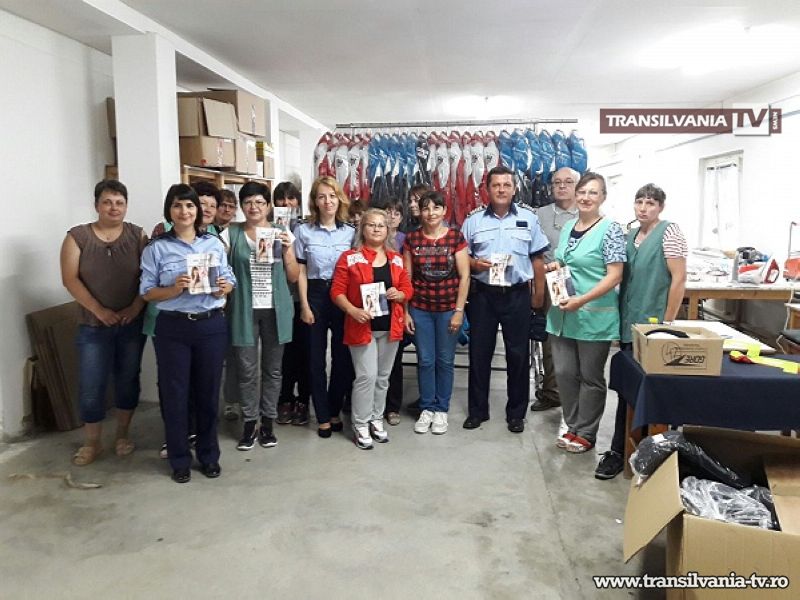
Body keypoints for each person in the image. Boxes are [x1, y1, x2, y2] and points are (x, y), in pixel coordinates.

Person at [140, 184, 235, 483]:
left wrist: (225, 287)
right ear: (169, 211)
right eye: (178, 205)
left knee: (208, 393)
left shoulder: (213, 244)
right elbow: (146, 292)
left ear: (198, 211)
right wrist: (174, 288)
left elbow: (229, 278)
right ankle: (179, 458)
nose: (184, 211)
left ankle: (209, 455)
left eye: (190, 205)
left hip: (210, 325)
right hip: (173, 327)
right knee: (175, 394)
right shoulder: (156, 248)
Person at [595, 183, 687, 479]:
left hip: (654, 326)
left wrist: (667, 324)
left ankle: (652, 455)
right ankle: (620, 451)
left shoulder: (669, 233)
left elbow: (679, 279)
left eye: (650, 203)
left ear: (661, 207)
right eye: (640, 202)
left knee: (653, 393)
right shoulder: (629, 235)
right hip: (629, 325)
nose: (644, 208)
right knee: (627, 391)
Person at [60, 179, 147, 466]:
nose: (114, 208)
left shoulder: (137, 235)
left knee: (127, 380)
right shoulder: (77, 237)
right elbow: (70, 279)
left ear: (126, 206)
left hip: (130, 322)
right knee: (91, 384)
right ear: (96, 205)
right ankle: (92, 442)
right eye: (107, 202)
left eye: (119, 202)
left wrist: (135, 307)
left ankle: (122, 434)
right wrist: (99, 310)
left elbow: (149, 276)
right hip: (92, 325)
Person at [461, 165, 549, 433]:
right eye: (496, 185)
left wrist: (538, 296)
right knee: (479, 354)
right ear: (487, 189)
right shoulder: (473, 221)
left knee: (518, 355)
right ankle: (478, 411)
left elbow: (537, 259)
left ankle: (516, 413)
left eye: (506, 185)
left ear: (514, 188)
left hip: (517, 294)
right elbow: (462, 259)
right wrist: (475, 264)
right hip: (483, 296)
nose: (501, 189)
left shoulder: (529, 218)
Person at [545, 172, 626, 454]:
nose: (586, 197)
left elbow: (615, 275)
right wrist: (555, 266)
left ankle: (587, 432)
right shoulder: (569, 226)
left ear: (603, 197)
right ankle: (572, 425)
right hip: (562, 313)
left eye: (593, 192)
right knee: (565, 373)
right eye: (582, 192)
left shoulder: (611, 230)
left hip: (593, 315)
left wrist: (582, 300)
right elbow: (562, 259)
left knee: (590, 376)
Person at [222, 181, 299, 451]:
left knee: (273, 369)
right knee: (246, 370)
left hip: (276, 309)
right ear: (241, 206)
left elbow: (293, 276)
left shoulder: (282, 232)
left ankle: (268, 422)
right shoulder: (230, 234)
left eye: (259, 202)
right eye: (248, 202)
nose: (253, 207)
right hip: (244, 309)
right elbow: (221, 270)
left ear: (268, 206)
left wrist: (287, 250)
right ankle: (249, 422)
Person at [331, 208, 413, 449]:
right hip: (361, 326)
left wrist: (400, 294)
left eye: (381, 225)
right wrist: (352, 310)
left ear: (388, 230)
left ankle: (377, 418)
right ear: (362, 229)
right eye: (371, 224)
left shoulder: (396, 258)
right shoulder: (350, 257)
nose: (376, 229)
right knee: (366, 376)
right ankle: (360, 423)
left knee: (383, 377)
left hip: (390, 326)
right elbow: (337, 291)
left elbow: (408, 287)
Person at [403, 191, 470, 435]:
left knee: (445, 360)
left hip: (448, 309)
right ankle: (427, 408)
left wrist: (459, 311)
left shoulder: (455, 237)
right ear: (420, 212)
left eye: (436, 208)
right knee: (425, 360)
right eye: (426, 208)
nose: (431, 213)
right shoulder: (412, 239)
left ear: (444, 211)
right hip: (420, 309)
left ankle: (441, 408)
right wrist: (405, 312)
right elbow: (406, 278)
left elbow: (465, 276)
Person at [293, 176, 355, 438]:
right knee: (315, 358)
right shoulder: (303, 231)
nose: (327, 201)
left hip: (342, 295)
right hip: (315, 294)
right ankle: (321, 416)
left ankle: (333, 408)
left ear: (339, 199)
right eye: (322, 196)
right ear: (315, 202)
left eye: (332, 196)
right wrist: (305, 305)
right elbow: (301, 271)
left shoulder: (350, 232)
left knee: (343, 358)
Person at [531, 166, 579, 412]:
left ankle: (577, 391)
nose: (562, 186)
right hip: (551, 280)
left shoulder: (587, 212)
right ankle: (552, 392)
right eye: (557, 182)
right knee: (551, 338)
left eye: (568, 182)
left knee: (578, 338)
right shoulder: (539, 214)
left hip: (581, 282)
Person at [272, 181, 311, 426]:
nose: (286, 203)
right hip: (279, 299)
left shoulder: (306, 228)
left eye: (291, 198)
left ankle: (304, 400)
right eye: (281, 198)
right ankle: (285, 398)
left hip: (303, 299)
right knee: (284, 354)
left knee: (305, 352)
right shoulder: (268, 228)